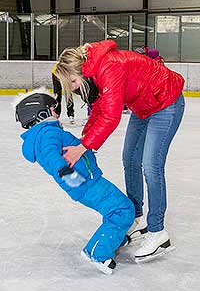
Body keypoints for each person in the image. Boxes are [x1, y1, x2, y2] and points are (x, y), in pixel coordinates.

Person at [54, 40, 185, 262]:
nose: (74, 87)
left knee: (151, 166)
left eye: (73, 82)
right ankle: (136, 217)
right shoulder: (93, 73)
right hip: (143, 106)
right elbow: (98, 110)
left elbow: (111, 116)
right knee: (130, 160)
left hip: (165, 103)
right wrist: (83, 142)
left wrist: (84, 147)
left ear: (80, 70)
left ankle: (158, 232)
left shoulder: (108, 66)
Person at [14, 87, 135, 274]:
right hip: (84, 183)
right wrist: (67, 173)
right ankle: (96, 253)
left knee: (118, 207)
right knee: (122, 210)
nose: (57, 113)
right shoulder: (47, 133)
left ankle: (114, 237)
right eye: (54, 109)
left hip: (85, 181)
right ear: (42, 113)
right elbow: (51, 155)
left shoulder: (42, 134)